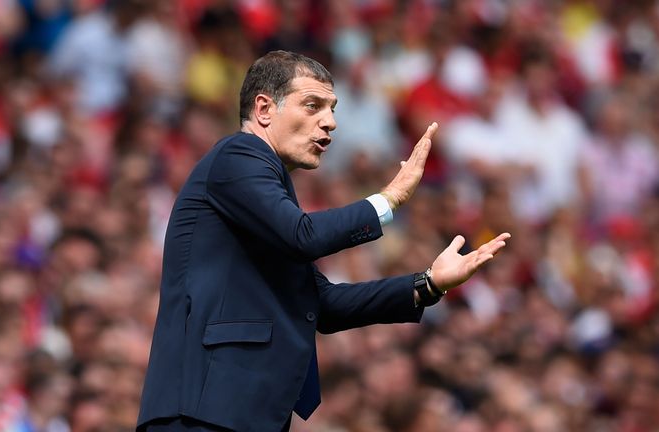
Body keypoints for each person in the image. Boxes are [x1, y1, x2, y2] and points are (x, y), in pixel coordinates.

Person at [136, 50, 510, 432]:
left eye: (332, 109)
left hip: (235, 412)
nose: (329, 123)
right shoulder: (239, 155)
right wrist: (388, 198)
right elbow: (304, 237)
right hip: (202, 411)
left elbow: (323, 304)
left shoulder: (265, 192)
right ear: (264, 109)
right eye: (312, 105)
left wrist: (427, 283)